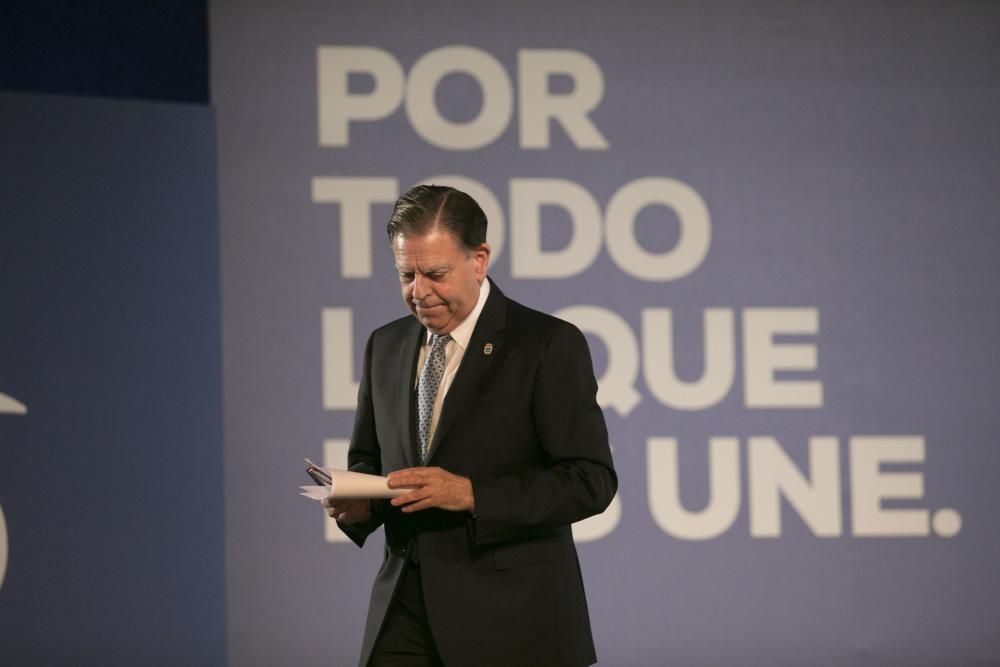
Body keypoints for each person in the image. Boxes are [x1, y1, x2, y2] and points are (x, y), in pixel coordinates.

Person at [324, 184, 617, 667]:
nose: (419, 292)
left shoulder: (546, 345)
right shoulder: (386, 345)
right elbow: (370, 459)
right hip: (404, 610)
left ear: (479, 259)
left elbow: (591, 480)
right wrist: (361, 504)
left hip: (512, 619)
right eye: (406, 275)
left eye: (435, 274)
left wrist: (472, 494)